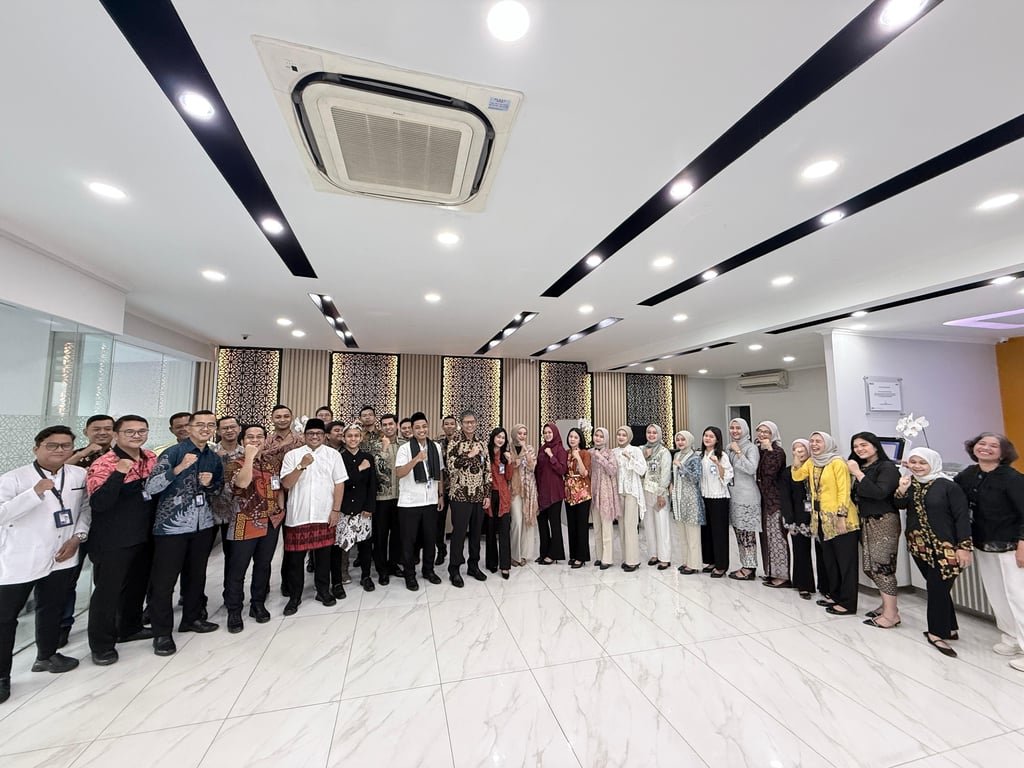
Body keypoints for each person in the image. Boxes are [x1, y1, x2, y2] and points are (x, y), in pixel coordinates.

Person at [0, 426, 91, 704]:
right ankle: (2, 676)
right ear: (36, 448)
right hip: (20, 558)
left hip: (63, 553)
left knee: (51, 609)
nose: (60, 450)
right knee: (5, 619)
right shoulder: (14, 478)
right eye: (52, 445)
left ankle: (47, 655)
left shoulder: (78, 475)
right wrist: (34, 493)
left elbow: (85, 509)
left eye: (66, 445)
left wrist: (78, 538)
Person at [145, 411, 224, 655]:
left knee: (196, 576)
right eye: (200, 424)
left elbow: (218, 489)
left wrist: (210, 484)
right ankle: (161, 633)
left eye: (210, 425)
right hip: (172, 527)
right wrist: (178, 469)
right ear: (188, 428)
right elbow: (151, 487)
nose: (205, 429)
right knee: (164, 582)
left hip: (203, 525)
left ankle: (191, 618)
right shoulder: (173, 453)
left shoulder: (213, 457)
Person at [85, 415, 156, 665]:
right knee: (108, 592)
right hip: (113, 538)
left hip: (143, 534)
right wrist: (119, 473)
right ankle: (101, 644)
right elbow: (99, 503)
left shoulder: (150, 458)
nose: (136, 436)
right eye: (130, 432)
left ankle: (130, 627)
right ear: (116, 435)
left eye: (141, 431)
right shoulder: (105, 463)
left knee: (137, 585)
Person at [955, 432, 1024, 671]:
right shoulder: (968, 474)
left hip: (1011, 545)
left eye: (994, 445)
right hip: (983, 543)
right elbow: (952, 494)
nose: (986, 448)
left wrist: (1022, 544)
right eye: (981, 443)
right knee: (997, 594)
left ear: (1003, 452)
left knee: (1019, 596)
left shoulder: (1012, 478)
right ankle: (1011, 638)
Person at [896, 448, 972, 657]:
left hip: (946, 548)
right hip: (919, 546)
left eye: (923, 463)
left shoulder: (948, 486)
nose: (917, 466)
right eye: (913, 462)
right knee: (938, 587)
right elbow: (899, 505)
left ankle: (936, 633)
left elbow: (962, 517)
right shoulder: (911, 483)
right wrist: (902, 489)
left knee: (937, 587)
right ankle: (950, 628)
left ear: (933, 463)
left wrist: (964, 547)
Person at [280, 418, 348, 615]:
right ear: (304, 436)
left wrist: (336, 510)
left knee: (324, 558)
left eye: (318, 433)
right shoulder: (293, 455)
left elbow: (339, 484)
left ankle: (323, 591)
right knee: (295, 560)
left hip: (324, 513)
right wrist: (301, 466)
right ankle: (295, 596)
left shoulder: (333, 455)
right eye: (311, 434)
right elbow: (286, 484)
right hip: (298, 515)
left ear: (324, 436)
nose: (315, 437)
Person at [59, 413, 115, 647]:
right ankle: (62, 626)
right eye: (96, 429)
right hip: (74, 527)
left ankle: (106, 623)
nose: (102, 433)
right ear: (86, 432)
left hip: (108, 526)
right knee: (67, 578)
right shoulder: (73, 456)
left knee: (106, 579)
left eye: (107, 429)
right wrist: (84, 454)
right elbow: (57, 473)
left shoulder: (121, 457)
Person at [222, 425, 284, 633]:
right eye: (250, 437)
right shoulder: (234, 464)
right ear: (242, 441)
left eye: (259, 437)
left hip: (270, 521)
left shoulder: (271, 464)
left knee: (263, 565)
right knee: (238, 568)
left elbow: (278, 487)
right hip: (244, 522)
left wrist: (280, 509)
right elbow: (241, 483)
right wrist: (249, 457)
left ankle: (257, 603)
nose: (255, 440)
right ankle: (234, 609)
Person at [792, 431, 860, 615]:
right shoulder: (812, 462)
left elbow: (844, 491)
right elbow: (797, 476)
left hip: (841, 519)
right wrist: (797, 458)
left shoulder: (837, 462)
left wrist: (841, 516)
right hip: (821, 520)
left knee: (846, 563)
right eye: (812, 441)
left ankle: (848, 603)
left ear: (828, 444)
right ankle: (835, 596)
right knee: (830, 561)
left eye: (818, 441)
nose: (814, 444)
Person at [848, 432, 902, 629]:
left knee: (882, 567)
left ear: (875, 445)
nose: (859, 449)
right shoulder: (863, 466)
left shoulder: (887, 467)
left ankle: (891, 615)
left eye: (864, 445)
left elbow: (879, 493)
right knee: (870, 567)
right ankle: (887, 606)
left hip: (883, 520)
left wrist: (857, 473)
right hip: (865, 520)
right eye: (856, 446)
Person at [395, 412, 445, 591]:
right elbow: (399, 472)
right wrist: (416, 459)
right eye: (417, 427)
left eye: (424, 426)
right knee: (409, 542)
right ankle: (410, 575)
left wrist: (440, 495)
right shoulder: (405, 449)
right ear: (412, 430)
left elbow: (440, 472)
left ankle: (428, 570)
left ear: (428, 426)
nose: (421, 430)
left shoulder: (436, 447)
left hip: (430, 500)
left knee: (430, 539)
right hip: (410, 502)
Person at [262, 404, 304, 596]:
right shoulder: (265, 441)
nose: (282, 419)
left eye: (286, 416)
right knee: (266, 546)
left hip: (295, 494)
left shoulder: (301, 440)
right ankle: (262, 586)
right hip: (269, 496)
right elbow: (259, 461)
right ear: (272, 419)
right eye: (278, 416)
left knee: (291, 543)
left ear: (291, 417)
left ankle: (288, 582)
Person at [446, 411, 491, 586]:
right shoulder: (455, 442)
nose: (470, 425)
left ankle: (473, 565)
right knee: (458, 534)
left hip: (478, 495)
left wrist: (487, 494)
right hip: (460, 495)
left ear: (476, 423)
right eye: (466, 422)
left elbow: (487, 470)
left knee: (476, 533)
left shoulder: (482, 443)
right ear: (461, 424)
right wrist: (469, 455)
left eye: (472, 422)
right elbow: (451, 467)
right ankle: (454, 569)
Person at [336, 424, 377, 593]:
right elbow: (343, 482)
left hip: (363, 508)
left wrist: (370, 506)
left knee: (365, 544)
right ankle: (341, 574)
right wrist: (359, 468)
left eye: (356, 436)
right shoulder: (338, 458)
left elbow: (372, 484)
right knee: (342, 544)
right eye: (349, 436)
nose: (353, 439)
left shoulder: (368, 457)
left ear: (361, 438)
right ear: (344, 438)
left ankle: (366, 576)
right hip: (344, 508)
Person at [755, 421, 790, 588]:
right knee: (766, 538)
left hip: (775, 502)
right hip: (762, 500)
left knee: (777, 537)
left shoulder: (777, 451)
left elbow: (770, 473)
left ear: (773, 434)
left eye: (766, 432)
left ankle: (782, 576)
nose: (762, 434)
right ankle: (770, 571)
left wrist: (769, 450)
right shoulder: (758, 450)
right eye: (760, 431)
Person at [727, 418, 761, 581]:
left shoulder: (751, 448)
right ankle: (745, 564)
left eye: (738, 428)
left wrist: (739, 452)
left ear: (745, 430)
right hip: (733, 495)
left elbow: (751, 468)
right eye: (732, 428)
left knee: (747, 535)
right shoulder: (729, 447)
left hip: (747, 496)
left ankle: (749, 568)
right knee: (739, 533)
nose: (734, 431)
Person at [782, 439, 816, 599]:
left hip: (817, 515)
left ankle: (826, 587)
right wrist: (789, 519)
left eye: (802, 449)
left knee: (822, 553)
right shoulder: (788, 472)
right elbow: (785, 497)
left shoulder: (816, 469)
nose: (799, 452)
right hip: (798, 516)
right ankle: (803, 585)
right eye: (796, 449)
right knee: (801, 551)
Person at [371, 413, 402, 584]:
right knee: (380, 535)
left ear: (397, 425)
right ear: (381, 427)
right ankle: (382, 569)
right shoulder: (375, 445)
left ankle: (393, 564)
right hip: (381, 497)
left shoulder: (405, 445)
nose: (388, 427)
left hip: (401, 497)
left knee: (397, 534)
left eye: (391, 424)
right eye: (385, 424)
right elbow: (377, 469)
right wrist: (383, 449)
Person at [699, 427, 733, 578]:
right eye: (705, 435)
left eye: (711, 436)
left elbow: (727, 476)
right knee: (707, 531)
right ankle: (711, 561)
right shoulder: (701, 455)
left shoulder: (722, 455)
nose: (707, 438)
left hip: (719, 498)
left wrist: (718, 464)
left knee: (719, 533)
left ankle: (721, 565)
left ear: (717, 439)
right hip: (704, 496)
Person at [670, 430, 704, 574]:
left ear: (689, 440)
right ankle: (686, 561)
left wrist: (681, 467)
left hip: (691, 499)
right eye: (678, 439)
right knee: (682, 534)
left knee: (692, 534)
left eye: (683, 439)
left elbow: (696, 477)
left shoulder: (695, 457)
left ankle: (694, 564)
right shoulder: (677, 455)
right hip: (678, 498)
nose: (680, 442)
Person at [614, 426, 646, 572]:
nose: (621, 437)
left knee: (630, 525)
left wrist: (630, 458)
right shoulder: (614, 452)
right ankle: (626, 558)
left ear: (629, 437)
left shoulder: (636, 450)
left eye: (624, 435)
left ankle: (633, 561)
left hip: (632, 492)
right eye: (619, 434)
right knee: (621, 526)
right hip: (619, 492)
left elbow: (642, 470)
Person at [535, 423, 567, 565]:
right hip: (542, 491)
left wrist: (551, 456)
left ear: (555, 433)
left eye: (549, 432)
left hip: (555, 492)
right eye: (545, 432)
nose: (547, 435)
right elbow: (538, 469)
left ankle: (554, 554)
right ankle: (544, 552)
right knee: (542, 523)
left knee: (554, 524)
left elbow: (562, 470)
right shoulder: (542, 448)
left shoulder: (560, 449)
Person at [589, 428, 621, 569]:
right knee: (596, 527)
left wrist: (601, 459)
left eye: (601, 436)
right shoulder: (590, 452)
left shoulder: (610, 453)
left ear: (606, 438)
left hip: (606, 493)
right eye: (596, 435)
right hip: (593, 492)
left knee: (606, 527)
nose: (598, 438)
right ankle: (599, 556)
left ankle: (607, 559)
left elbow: (613, 471)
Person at [486, 427, 515, 578]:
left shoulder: (506, 455)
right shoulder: (486, 453)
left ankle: (505, 566)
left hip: (503, 495)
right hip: (490, 495)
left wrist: (509, 461)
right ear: (493, 438)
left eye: (503, 438)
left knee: (504, 530)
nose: (500, 440)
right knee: (490, 530)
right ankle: (491, 562)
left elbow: (509, 477)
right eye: (498, 437)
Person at [642, 424, 672, 569]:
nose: (651, 435)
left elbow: (666, 474)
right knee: (649, 524)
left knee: (662, 524)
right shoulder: (642, 450)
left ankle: (664, 558)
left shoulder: (664, 452)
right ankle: (653, 554)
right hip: (645, 492)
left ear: (659, 435)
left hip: (659, 493)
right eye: (649, 432)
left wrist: (661, 493)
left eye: (654, 432)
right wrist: (644, 457)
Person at [508, 423, 538, 566]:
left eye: (524, 433)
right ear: (514, 434)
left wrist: (525, 450)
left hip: (528, 489)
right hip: (514, 490)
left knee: (527, 522)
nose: (522, 436)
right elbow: (510, 466)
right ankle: (515, 555)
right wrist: (515, 461)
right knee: (517, 521)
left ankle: (525, 554)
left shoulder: (530, 449)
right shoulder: (508, 448)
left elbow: (532, 467)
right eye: (519, 433)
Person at [564, 427, 592, 569]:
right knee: (572, 524)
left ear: (580, 439)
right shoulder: (566, 453)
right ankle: (573, 554)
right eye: (570, 436)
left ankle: (581, 557)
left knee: (581, 525)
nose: (572, 439)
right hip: (569, 492)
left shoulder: (585, 453)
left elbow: (584, 473)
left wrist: (578, 457)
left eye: (575, 437)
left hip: (582, 492)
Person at [435, 414, 458, 566]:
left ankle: (456, 552)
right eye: (446, 424)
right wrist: (440, 493)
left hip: (458, 488)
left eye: (452, 424)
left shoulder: (461, 442)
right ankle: (441, 550)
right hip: (441, 488)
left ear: (456, 426)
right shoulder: (437, 443)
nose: (449, 426)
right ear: (443, 426)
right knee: (439, 522)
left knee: (458, 521)